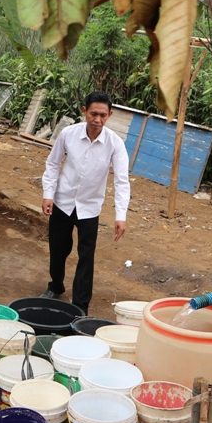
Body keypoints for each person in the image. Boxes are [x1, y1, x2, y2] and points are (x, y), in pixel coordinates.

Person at [40, 91, 130, 315]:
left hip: (89, 208)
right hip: (62, 201)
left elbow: (121, 180)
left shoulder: (115, 144)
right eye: (93, 114)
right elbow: (53, 164)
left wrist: (121, 216)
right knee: (58, 249)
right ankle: (56, 286)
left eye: (102, 115)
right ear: (84, 111)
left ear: (109, 115)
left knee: (86, 256)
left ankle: (80, 305)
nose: (97, 120)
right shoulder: (68, 134)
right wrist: (48, 193)